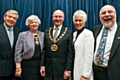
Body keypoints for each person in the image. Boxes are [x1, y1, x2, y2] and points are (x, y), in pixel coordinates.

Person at [40, 10, 73, 80]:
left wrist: (68, 69)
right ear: (52, 18)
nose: (58, 18)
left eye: (60, 17)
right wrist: (42, 65)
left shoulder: (69, 33)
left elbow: (70, 53)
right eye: (56, 16)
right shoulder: (47, 31)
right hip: (48, 69)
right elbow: (44, 50)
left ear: (63, 18)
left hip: (61, 70)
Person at [93, 5, 120, 80]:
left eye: (110, 12)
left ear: (115, 14)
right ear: (99, 16)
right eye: (103, 13)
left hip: (114, 73)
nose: (107, 15)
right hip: (95, 72)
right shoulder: (96, 29)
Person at [14, 15, 44, 80]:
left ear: (38, 24)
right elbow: (17, 52)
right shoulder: (22, 35)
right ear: (28, 24)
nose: (34, 24)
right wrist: (18, 67)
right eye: (31, 22)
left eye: (36, 22)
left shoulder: (43, 35)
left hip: (40, 66)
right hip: (27, 66)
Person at [72, 10, 94, 80]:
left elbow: (89, 56)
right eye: (76, 20)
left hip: (83, 73)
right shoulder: (74, 34)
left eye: (80, 20)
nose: (78, 23)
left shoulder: (88, 34)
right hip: (75, 69)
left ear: (84, 21)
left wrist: (85, 75)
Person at [0, 10, 21, 80]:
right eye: (10, 17)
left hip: (12, 70)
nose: (11, 19)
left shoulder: (19, 32)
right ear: (4, 17)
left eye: (14, 18)